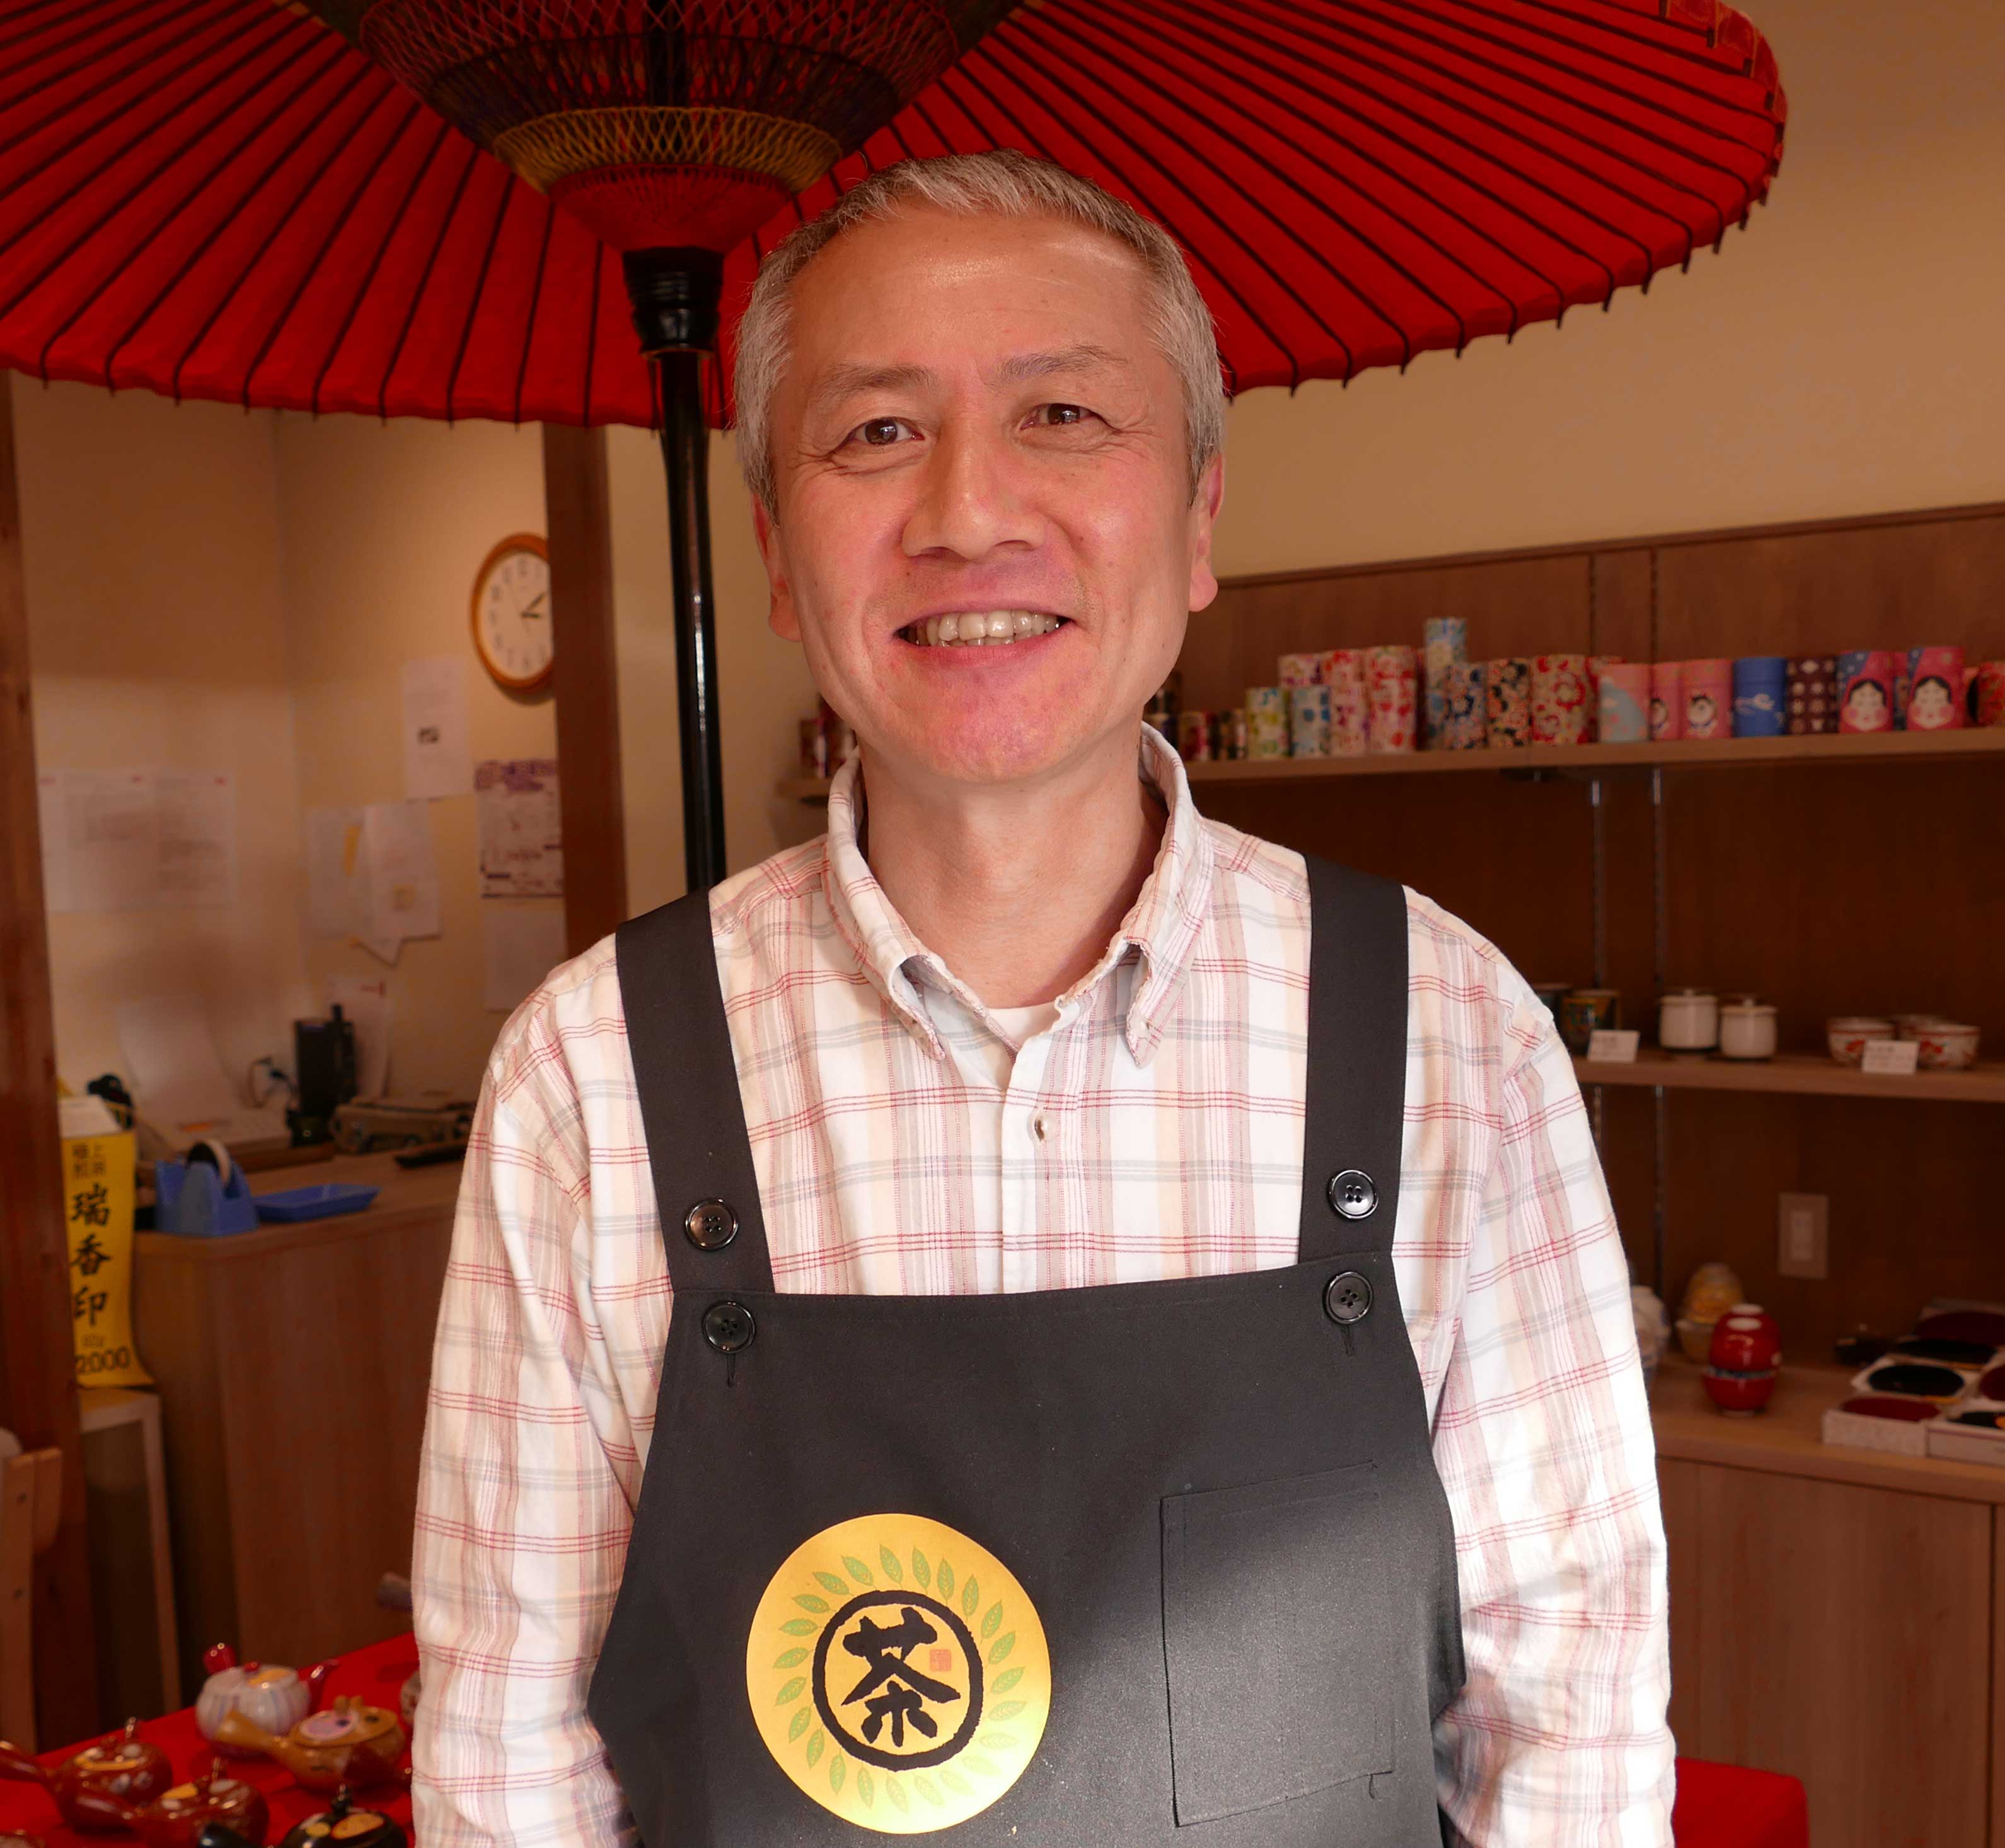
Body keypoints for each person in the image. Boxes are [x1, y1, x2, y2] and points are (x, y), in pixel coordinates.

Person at [412, 152, 1670, 1847]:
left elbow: (1569, 1738)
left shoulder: (1450, 1039)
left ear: (1201, 518)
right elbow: (510, 1760)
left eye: (1063, 414)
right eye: (876, 430)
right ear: (776, 556)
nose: (966, 511)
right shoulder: (591, 1077)